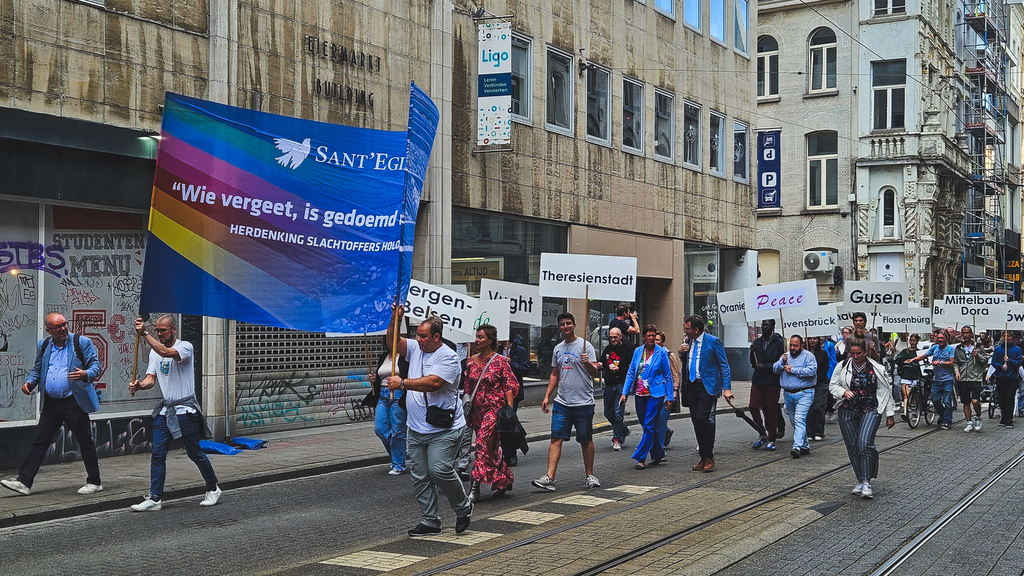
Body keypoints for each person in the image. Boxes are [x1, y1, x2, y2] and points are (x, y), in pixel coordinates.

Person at [380, 307, 472, 536]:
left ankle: (463, 507)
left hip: (444, 428)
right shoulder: (415, 348)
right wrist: (396, 318)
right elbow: (392, 342)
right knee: (420, 476)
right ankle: (430, 521)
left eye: (423, 336)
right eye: (417, 335)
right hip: (416, 428)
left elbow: (433, 383)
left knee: (439, 470)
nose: (418, 340)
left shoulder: (448, 356)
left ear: (436, 337)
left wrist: (402, 383)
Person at [1, 314, 103, 497]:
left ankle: (94, 482)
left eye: (64, 325)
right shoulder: (45, 345)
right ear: (49, 330)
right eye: (58, 327)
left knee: (85, 441)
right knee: (40, 441)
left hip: (74, 401)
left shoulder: (82, 342)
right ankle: (24, 482)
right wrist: (30, 382)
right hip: (52, 402)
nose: (63, 329)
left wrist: (85, 374)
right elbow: (38, 368)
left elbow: (96, 366)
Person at [128, 315, 221, 511]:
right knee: (158, 453)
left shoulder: (185, 347)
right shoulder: (154, 352)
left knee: (194, 452)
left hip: (185, 410)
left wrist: (144, 333)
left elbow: (166, 352)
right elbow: (150, 379)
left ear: (174, 329)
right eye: (157, 331)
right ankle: (155, 498)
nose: (159, 334)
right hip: (166, 410)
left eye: (163, 330)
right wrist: (139, 385)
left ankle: (213, 488)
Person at [532, 312, 601, 491]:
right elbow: (555, 373)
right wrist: (547, 396)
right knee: (556, 438)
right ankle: (550, 477)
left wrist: (587, 363)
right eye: (562, 324)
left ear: (574, 325)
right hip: (562, 402)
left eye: (568, 323)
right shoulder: (558, 349)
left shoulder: (586, 346)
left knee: (585, 439)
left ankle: (590, 475)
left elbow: (595, 374)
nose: (565, 327)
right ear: (559, 327)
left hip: (583, 402)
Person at [829, 337, 896, 500]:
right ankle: (860, 479)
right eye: (852, 353)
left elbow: (886, 390)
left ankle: (866, 481)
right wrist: (843, 392)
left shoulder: (877, 368)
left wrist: (890, 414)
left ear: (866, 352)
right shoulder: (843, 366)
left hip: (870, 408)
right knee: (852, 446)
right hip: (848, 410)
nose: (855, 356)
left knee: (864, 443)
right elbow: (832, 385)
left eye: (859, 353)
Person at [463, 325, 518, 503]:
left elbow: (509, 387)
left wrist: (509, 413)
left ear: (490, 340)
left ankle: (475, 487)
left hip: (495, 411)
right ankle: (503, 479)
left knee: (481, 444)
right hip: (477, 412)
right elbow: (468, 388)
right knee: (490, 450)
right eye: (476, 337)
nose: (477, 340)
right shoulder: (470, 362)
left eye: (480, 337)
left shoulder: (501, 361)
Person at [679, 315, 732, 473]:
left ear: (696, 330)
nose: (685, 330)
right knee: (696, 421)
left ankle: (709, 456)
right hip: (692, 386)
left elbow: (724, 365)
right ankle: (703, 457)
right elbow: (686, 361)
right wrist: (680, 352)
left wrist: (727, 388)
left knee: (703, 419)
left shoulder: (713, 341)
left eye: (687, 328)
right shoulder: (689, 341)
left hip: (707, 386)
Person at [620, 325, 674, 470]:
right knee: (646, 426)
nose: (651, 338)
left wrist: (670, 397)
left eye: (653, 335)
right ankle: (658, 453)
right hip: (639, 394)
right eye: (648, 336)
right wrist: (625, 393)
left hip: (655, 394)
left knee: (649, 425)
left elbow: (668, 375)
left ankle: (641, 457)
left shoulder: (661, 352)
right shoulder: (638, 351)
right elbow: (631, 372)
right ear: (644, 337)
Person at [368, 336, 409, 475]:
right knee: (380, 428)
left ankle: (398, 464)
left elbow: (410, 375)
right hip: (383, 395)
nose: (390, 343)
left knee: (398, 430)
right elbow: (381, 375)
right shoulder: (384, 356)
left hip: (398, 394)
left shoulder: (405, 357)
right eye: (388, 340)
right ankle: (399, 453)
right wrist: (375, 379)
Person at [774, 335, 817, 458]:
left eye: (795, 345)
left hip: (804, 392)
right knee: (794, 421)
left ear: (801, 346)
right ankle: (804, 445)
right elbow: (775, 369)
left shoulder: (809, 356)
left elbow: (811, 371)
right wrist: (781, 361)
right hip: (788, 393)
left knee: (799, 419)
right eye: (791, 345)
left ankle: (796, 446)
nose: (792, 348)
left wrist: (793, 370)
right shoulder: (785, 356)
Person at [904, 329, 956, 430]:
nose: (940, 340)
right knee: (935, 400)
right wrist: (912, 360)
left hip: (947, 379)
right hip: (936, 379)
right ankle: (942, 415)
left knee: (947, 401)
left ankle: (947, 421)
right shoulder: (935, 348)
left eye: (942, 338)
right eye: (939, 338)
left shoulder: (950, 349)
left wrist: (940, 362)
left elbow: (952, 362)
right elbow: (923, 356)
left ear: (946, 339)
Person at [748, 319, 784, 450]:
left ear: (773, 327)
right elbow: (753, 363)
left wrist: (767, 367)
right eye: (763, 325)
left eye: (767, 325)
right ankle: (762, 432)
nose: (764, 328)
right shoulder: (757, 342)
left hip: (772, 380)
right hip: (758, 379)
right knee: (753, 406)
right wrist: (752, 353)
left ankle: (772, 437)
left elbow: (780, 362)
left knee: (771, 409)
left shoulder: (779, 342)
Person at [596, 327, 634, 451]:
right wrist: (600, 365)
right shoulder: (608, 349)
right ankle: (623, 429)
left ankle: (616, 439)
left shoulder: (628, 349)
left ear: (620, 336)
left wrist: (619, 369)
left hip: (621, 384)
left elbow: (631, 368)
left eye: (615, 337)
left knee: (618, 412)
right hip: (609, 384)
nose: (613, 340)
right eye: (611, 338)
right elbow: (602, 362)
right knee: (608, 412)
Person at [499, 334, 531, 466]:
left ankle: (511, 453)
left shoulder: (520, 351)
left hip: (513, 392)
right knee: (500, 424)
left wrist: (511, 363)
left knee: (509, 422)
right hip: (498, 393)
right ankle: (503, 452)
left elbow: (526, 369)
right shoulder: (496, 350)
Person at [954, 325, 988, 433]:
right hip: (963, 378)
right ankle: (969, 422)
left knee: (975, 400)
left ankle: (978, 416)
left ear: (971, 334)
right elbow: (956, 362)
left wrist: (977, 355)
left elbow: (985, 361)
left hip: (975, 377)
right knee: (966, 402)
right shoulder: (959, 348)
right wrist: (957, 372)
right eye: (963, 333)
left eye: (967, 333)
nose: (965, 335)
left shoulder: (978, 346)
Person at [990, 332, 1022, 429]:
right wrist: (1001, 366)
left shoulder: (1017, 349)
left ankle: (1009, 419)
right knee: (1002, 398)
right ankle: (1003, 417)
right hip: (1000, 377)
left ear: (1011, 337)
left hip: (1012, 378)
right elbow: (994, 362)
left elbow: (1019, 362)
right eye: (1004, 336)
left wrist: (1010, 361)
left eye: (1008, 336)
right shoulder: (998, 349)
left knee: (1009, 398)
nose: (1006, 338)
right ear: (1001, 337)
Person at [654, 331, 680, 447]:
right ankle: (666, 432)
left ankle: (659, 448)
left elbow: (675, 374)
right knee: (654, 420)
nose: (655, 342)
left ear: (662, 342)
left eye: (658, 340)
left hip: (666, 393)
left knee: (661, 418)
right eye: (654, 339)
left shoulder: (669, 355)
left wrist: (675, 390)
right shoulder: (650, 354)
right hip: (653, 392)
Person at [806, 336, 831, 442]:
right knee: (809, 408)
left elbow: (825, 368)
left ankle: (818, 431)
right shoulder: (803, 354)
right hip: (806, 384)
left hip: (820, 383)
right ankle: (809, 432)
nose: (812, 341)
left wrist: (815, 376)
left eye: (814, 338)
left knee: (818, 407)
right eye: (810, 338)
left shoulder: (823, 353)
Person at [894, 334, 923, 422]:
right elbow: (897, 360)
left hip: (915, 375)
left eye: (914, 341)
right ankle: (906, 412)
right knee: (906, 395)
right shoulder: (905, 351)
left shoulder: (919, 352)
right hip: (906, 375)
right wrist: (904, 358)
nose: (912, 342)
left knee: (914, 396)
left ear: (917, 342)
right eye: (911, 340)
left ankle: (914, 411)